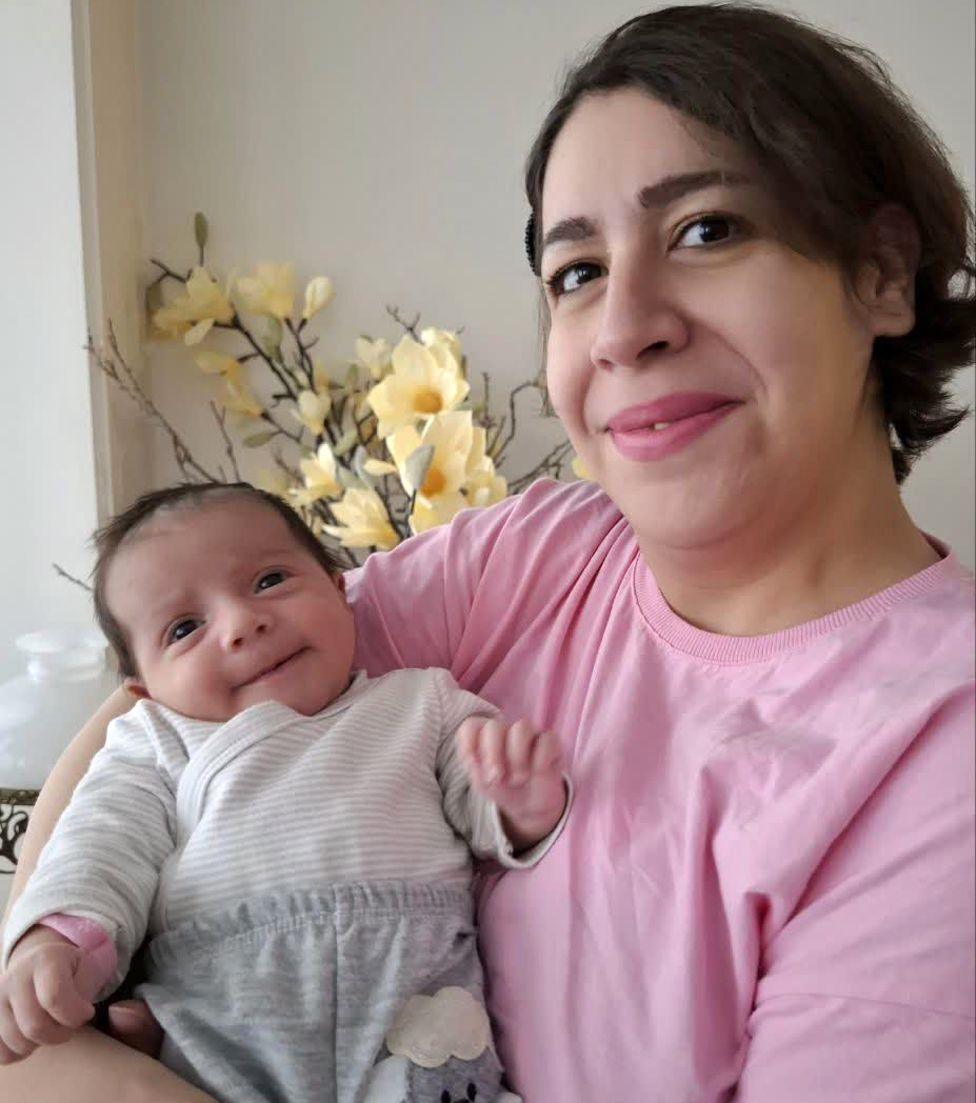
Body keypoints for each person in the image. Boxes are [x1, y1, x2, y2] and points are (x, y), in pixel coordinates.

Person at [2, 3, 974, 1100]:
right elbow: (171, 714)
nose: (622, 327)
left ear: (883, 272)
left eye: (706, 229)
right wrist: (45, 976)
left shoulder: (939, 752)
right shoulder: (540, 551)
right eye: (576, 273)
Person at [0, 484, 568, 1102]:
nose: (244, 624)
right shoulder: (154, 744)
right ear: (145, 689)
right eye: (186, 627)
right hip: (227, 1027)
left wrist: (517, 803)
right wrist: (58, 943)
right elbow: (99, 846)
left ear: (339, 589)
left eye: (270, 581)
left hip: (411, 1018)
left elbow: (476, 792)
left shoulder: (421, 703)